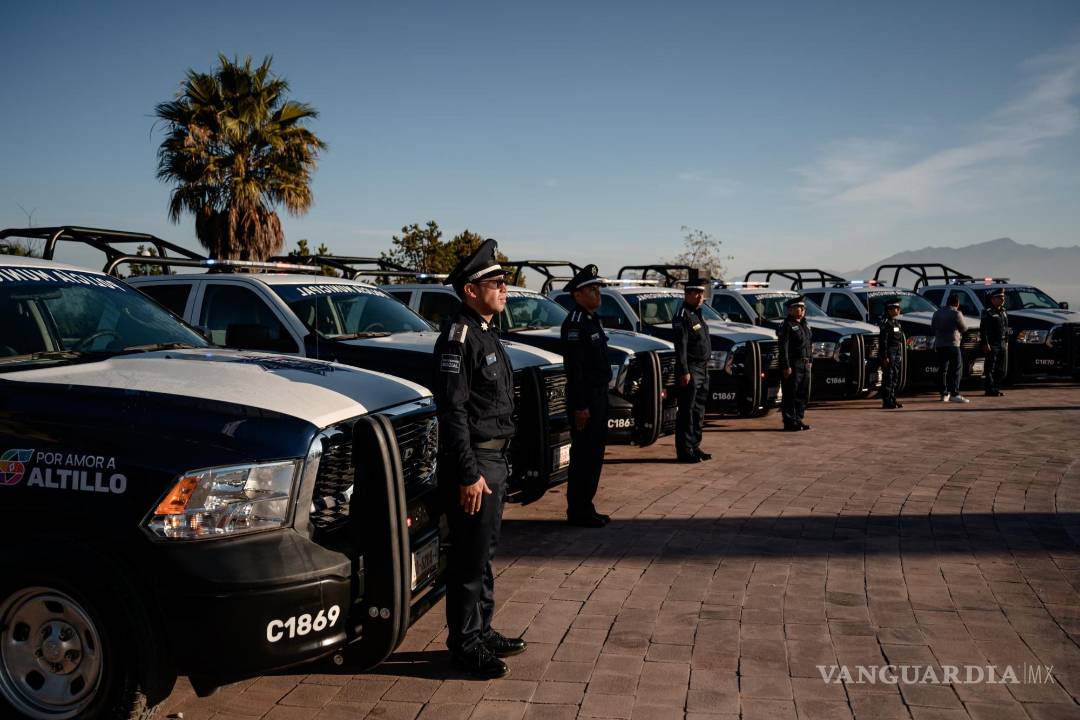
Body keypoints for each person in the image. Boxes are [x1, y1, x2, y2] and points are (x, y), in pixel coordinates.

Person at [433, 239, 526, 679]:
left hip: (495, 461)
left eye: (505, 281)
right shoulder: (459, 337)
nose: (505, 288)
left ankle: (482, 630)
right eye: (496, 282)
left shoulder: (487, 331)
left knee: (484, 553)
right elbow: (452, 411)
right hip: (476, 466)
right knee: (469, 559)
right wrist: (469, 474)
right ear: (470, 290)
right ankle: (465, 645)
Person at [560, 264, 612, 528]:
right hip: (586, 400)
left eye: (598, 288)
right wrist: (580, 406)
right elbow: (575, 370)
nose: (597, 292)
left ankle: (587, 506)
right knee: (584, 456)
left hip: (599, 397)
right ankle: (578, 510)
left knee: (595, 456)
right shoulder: (575, 324)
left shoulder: (592, 321)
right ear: (578, 294)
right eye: (592, 288)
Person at [672, 275, 712, 462]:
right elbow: (681, 346)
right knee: (687, 411)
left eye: (701, 293)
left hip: (703, 369)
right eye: (695, 293)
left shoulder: (698, 314)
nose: (699, 296)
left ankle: (695, 446)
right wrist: (684, 371)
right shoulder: (683, 316)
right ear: (686, 294)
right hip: (691, 370)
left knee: (699, 411)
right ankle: (685, 450)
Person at [777, 296, 812, 431]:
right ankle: (789, 421)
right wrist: (786, 366)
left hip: (805, 363)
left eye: (803, 308)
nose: (802, 310)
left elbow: (809, 344)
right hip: (793, 364)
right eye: (799, 307)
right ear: (790, 310)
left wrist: (811, 361)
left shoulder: (805, 324)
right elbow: (783, 348)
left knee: (803, 394)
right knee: (791, 394)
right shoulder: (786, 326)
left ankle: (798, 419)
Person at [931, 294, 969, 403]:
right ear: (957, 303)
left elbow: (933, 327)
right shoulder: (957, 313)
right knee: (956, 369)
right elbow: (964, 328)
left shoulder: (937, 313)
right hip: (953, 344)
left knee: (943, 370)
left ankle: (943, 393)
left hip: (940, 344)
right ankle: (954, 393)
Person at [980, 287, 1009, 396]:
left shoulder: (1003, 311)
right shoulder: (987, 312)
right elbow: (983, 329)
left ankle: (996, 388)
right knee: (990, 368)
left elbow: (1005, 327)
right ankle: (989, 389)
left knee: (1000, 369)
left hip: (1002, 343)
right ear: (993, 299)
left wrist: (1006, 341)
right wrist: (985, 343)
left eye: (1003, 297)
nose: (1002, 299)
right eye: (1000, 297)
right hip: (992, 343)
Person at [877, 298, 905, 409]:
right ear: (889, 310)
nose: (898, 310)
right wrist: (884, 357)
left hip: (896, 352)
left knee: (895, 377)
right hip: (889, 353)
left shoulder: (896, 323)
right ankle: (887, 401)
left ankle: (893, 398)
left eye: (898, 308)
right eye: (896, 308)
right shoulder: (886, 323)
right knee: (888, 377)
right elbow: (883, 341)